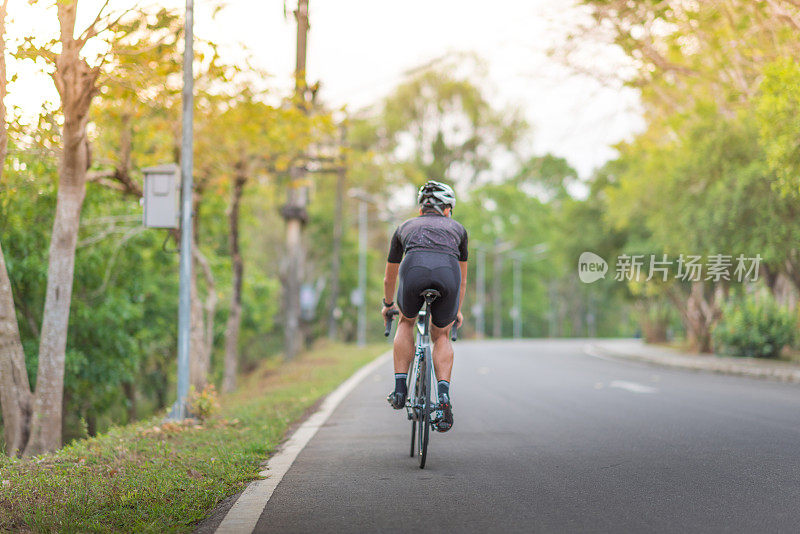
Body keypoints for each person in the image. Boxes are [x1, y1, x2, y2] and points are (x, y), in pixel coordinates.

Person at [381, 180, 468, 432]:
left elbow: (389, 278)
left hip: (414, 271)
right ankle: (442, 400)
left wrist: (388, 305)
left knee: (406, 321)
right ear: (448, 209)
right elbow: (462, 281)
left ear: (421, 209)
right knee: (441, 334)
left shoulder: (404, 227)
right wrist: (456, 311)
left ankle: (399, 390)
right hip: (447, 275)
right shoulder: (458, 230)